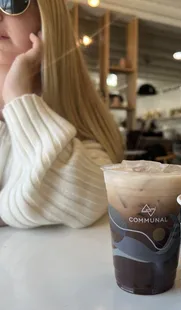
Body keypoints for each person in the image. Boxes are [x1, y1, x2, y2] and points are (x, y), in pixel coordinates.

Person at [0, 0, 124, 228]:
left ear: (47, 23)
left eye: (9, 2)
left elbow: (82, 200)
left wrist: (17, 97)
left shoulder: (81, 134)